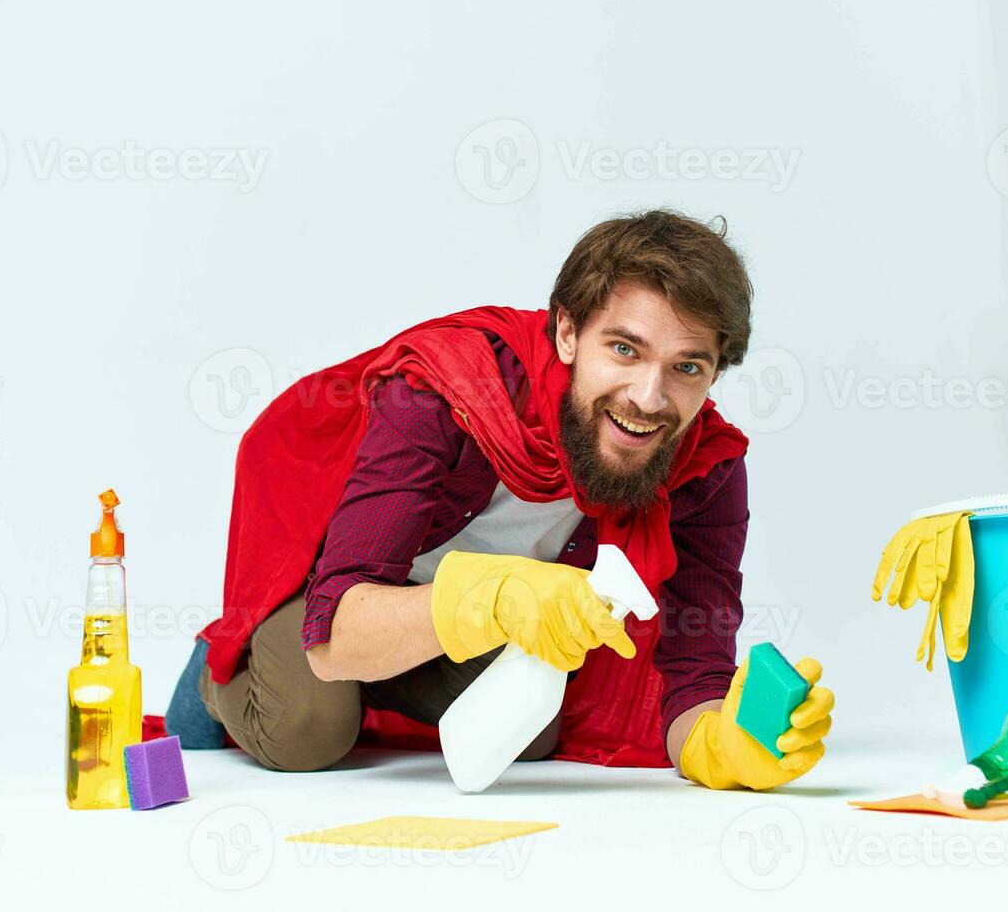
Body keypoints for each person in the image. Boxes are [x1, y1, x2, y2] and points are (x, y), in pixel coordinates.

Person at [169, 209, 834, 791]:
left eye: (687, 366)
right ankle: (226, 659)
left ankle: (380, 683)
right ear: (568, 333)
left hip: (445, 636)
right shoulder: (443, 391)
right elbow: (336, 634)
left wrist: (720, 745)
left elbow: (695, 674)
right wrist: (487, 596)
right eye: (624, 349)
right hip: (340, 603)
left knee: (535, 730)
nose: (649, 398)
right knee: (308, 729)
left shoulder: (705, 465)